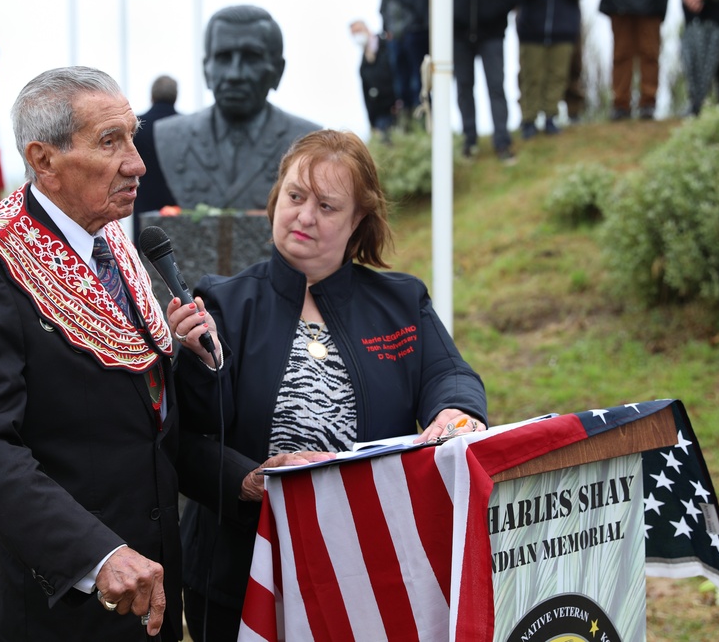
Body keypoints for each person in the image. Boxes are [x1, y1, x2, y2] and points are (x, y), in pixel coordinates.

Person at [0, 66, 220, 641]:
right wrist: (97, 554)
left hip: (153, 589)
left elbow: (143, 422)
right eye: (109, 142)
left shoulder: (112, 235)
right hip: (63, 603)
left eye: (132, 137)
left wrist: (239, 477)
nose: (136, 162)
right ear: (44, 160)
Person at [170, 129, 489, 640]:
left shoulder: (402, 301)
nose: (304, 216)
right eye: (295, 197)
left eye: (327, 205)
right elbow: (187, 438)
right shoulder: (222, 304)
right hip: (240, 570)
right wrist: (249, 480)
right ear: (277, 196)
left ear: (358, 220)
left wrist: (454, 412)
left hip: (368, 569)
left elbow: (450, 375)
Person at [154, 5, 321, 211]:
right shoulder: (170, 136)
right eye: (224, 57)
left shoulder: (307, 140)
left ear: (278, 70)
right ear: (206, 69)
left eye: (251, 58)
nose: (235, 74)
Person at [453, 0, 527, 162]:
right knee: (464, 88)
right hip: (459, 34)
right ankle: (469, 143)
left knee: (496, 87)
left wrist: (498, 8)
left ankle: (502, 143)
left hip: (492, 33)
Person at [516, 0, 590, 138]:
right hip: (531, 29)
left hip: (564, 29)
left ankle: (551, 117)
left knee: (557, 76)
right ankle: (529, 120)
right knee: (531, 76)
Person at [599, 0, 671, 120]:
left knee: (649, 53)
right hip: (619, 1)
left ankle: (648, 104)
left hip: (651, 1)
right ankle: (620, 105)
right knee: (621, 54)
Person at [132, 75, 180, 236]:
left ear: (151, 96)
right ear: (176, 97)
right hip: (178, 206)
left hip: (143, 202)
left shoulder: (137, 126)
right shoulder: (186, 127)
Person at [380, 0, 430, 127]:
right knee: (401, 84)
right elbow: (384, 1)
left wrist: (420, 22)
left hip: (415, 31)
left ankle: (422, 120)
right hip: (395, 34)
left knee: (419, 80)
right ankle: (407, 123)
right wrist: (386, 27)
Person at [349, 19, 397, 137]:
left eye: (358, 31)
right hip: (381, 116)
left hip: (398, 106)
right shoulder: (363, 66)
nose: (357, 36)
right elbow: (366, 96)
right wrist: (372, 122)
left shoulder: (387, 46)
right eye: (354, 34)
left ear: (367, 29)